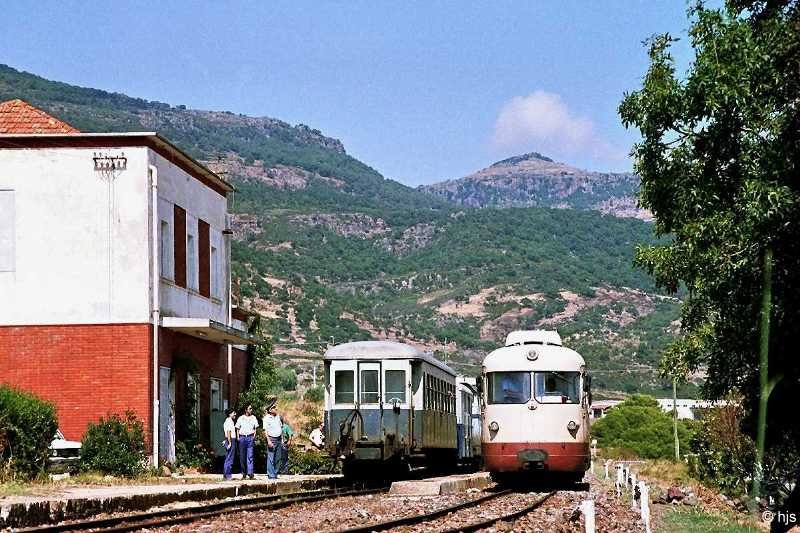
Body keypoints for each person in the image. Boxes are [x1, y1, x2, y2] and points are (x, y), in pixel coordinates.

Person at [235, 404, 258, 479]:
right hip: (242, 438)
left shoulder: (253, 418)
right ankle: (243, 473)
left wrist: (254, 436)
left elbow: (255, 428)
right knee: (242, 456)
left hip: (250, 437)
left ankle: (250, 473)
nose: (251, 410)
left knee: (250, 456)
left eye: (251, 408)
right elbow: (237, 428)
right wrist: (238, 437)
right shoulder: (241, 418)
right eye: (250, 408)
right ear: (246, 410)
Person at [262, 400, 283, 479]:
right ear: (270, 410)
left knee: (278, 457)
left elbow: (281, 427)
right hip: (271, 439)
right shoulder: (266, 418)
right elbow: (265, 431)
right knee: (271, 457)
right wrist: (268, 441)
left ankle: (275, 472)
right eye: (274, 408)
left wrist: (282, 439)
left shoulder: (278, 417)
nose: (276, 409)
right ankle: (271, 475)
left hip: (278, 439)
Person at [222, 408, 237, 480]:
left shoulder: (229, 421)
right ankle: (228, 475)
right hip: (231, 440)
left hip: (229, 439)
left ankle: (226, 474)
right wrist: (230, 442)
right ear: (230, 414)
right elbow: (228, 432)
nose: (235, 414)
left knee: (228, 457)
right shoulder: (229, 422)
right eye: (234, 413)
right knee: (230, 458)